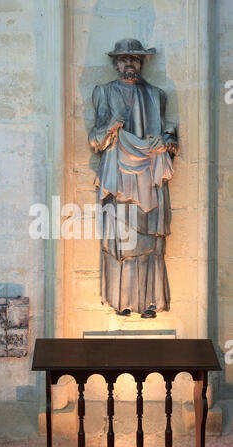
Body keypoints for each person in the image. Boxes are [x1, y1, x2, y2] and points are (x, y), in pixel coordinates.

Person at [88, 39, 178, 319]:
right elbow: (95, 141)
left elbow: (168, 136)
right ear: (116, 63)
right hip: (120, 177)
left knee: (152, 240)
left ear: (141, 63)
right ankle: (121, 300)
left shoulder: (156, 95)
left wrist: (167, 141)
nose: (129, 63)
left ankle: (151, 301)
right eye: (124, 59)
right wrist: (111, 126)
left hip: (150, 176)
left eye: (135, 59)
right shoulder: (104, 92)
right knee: (122, 238)